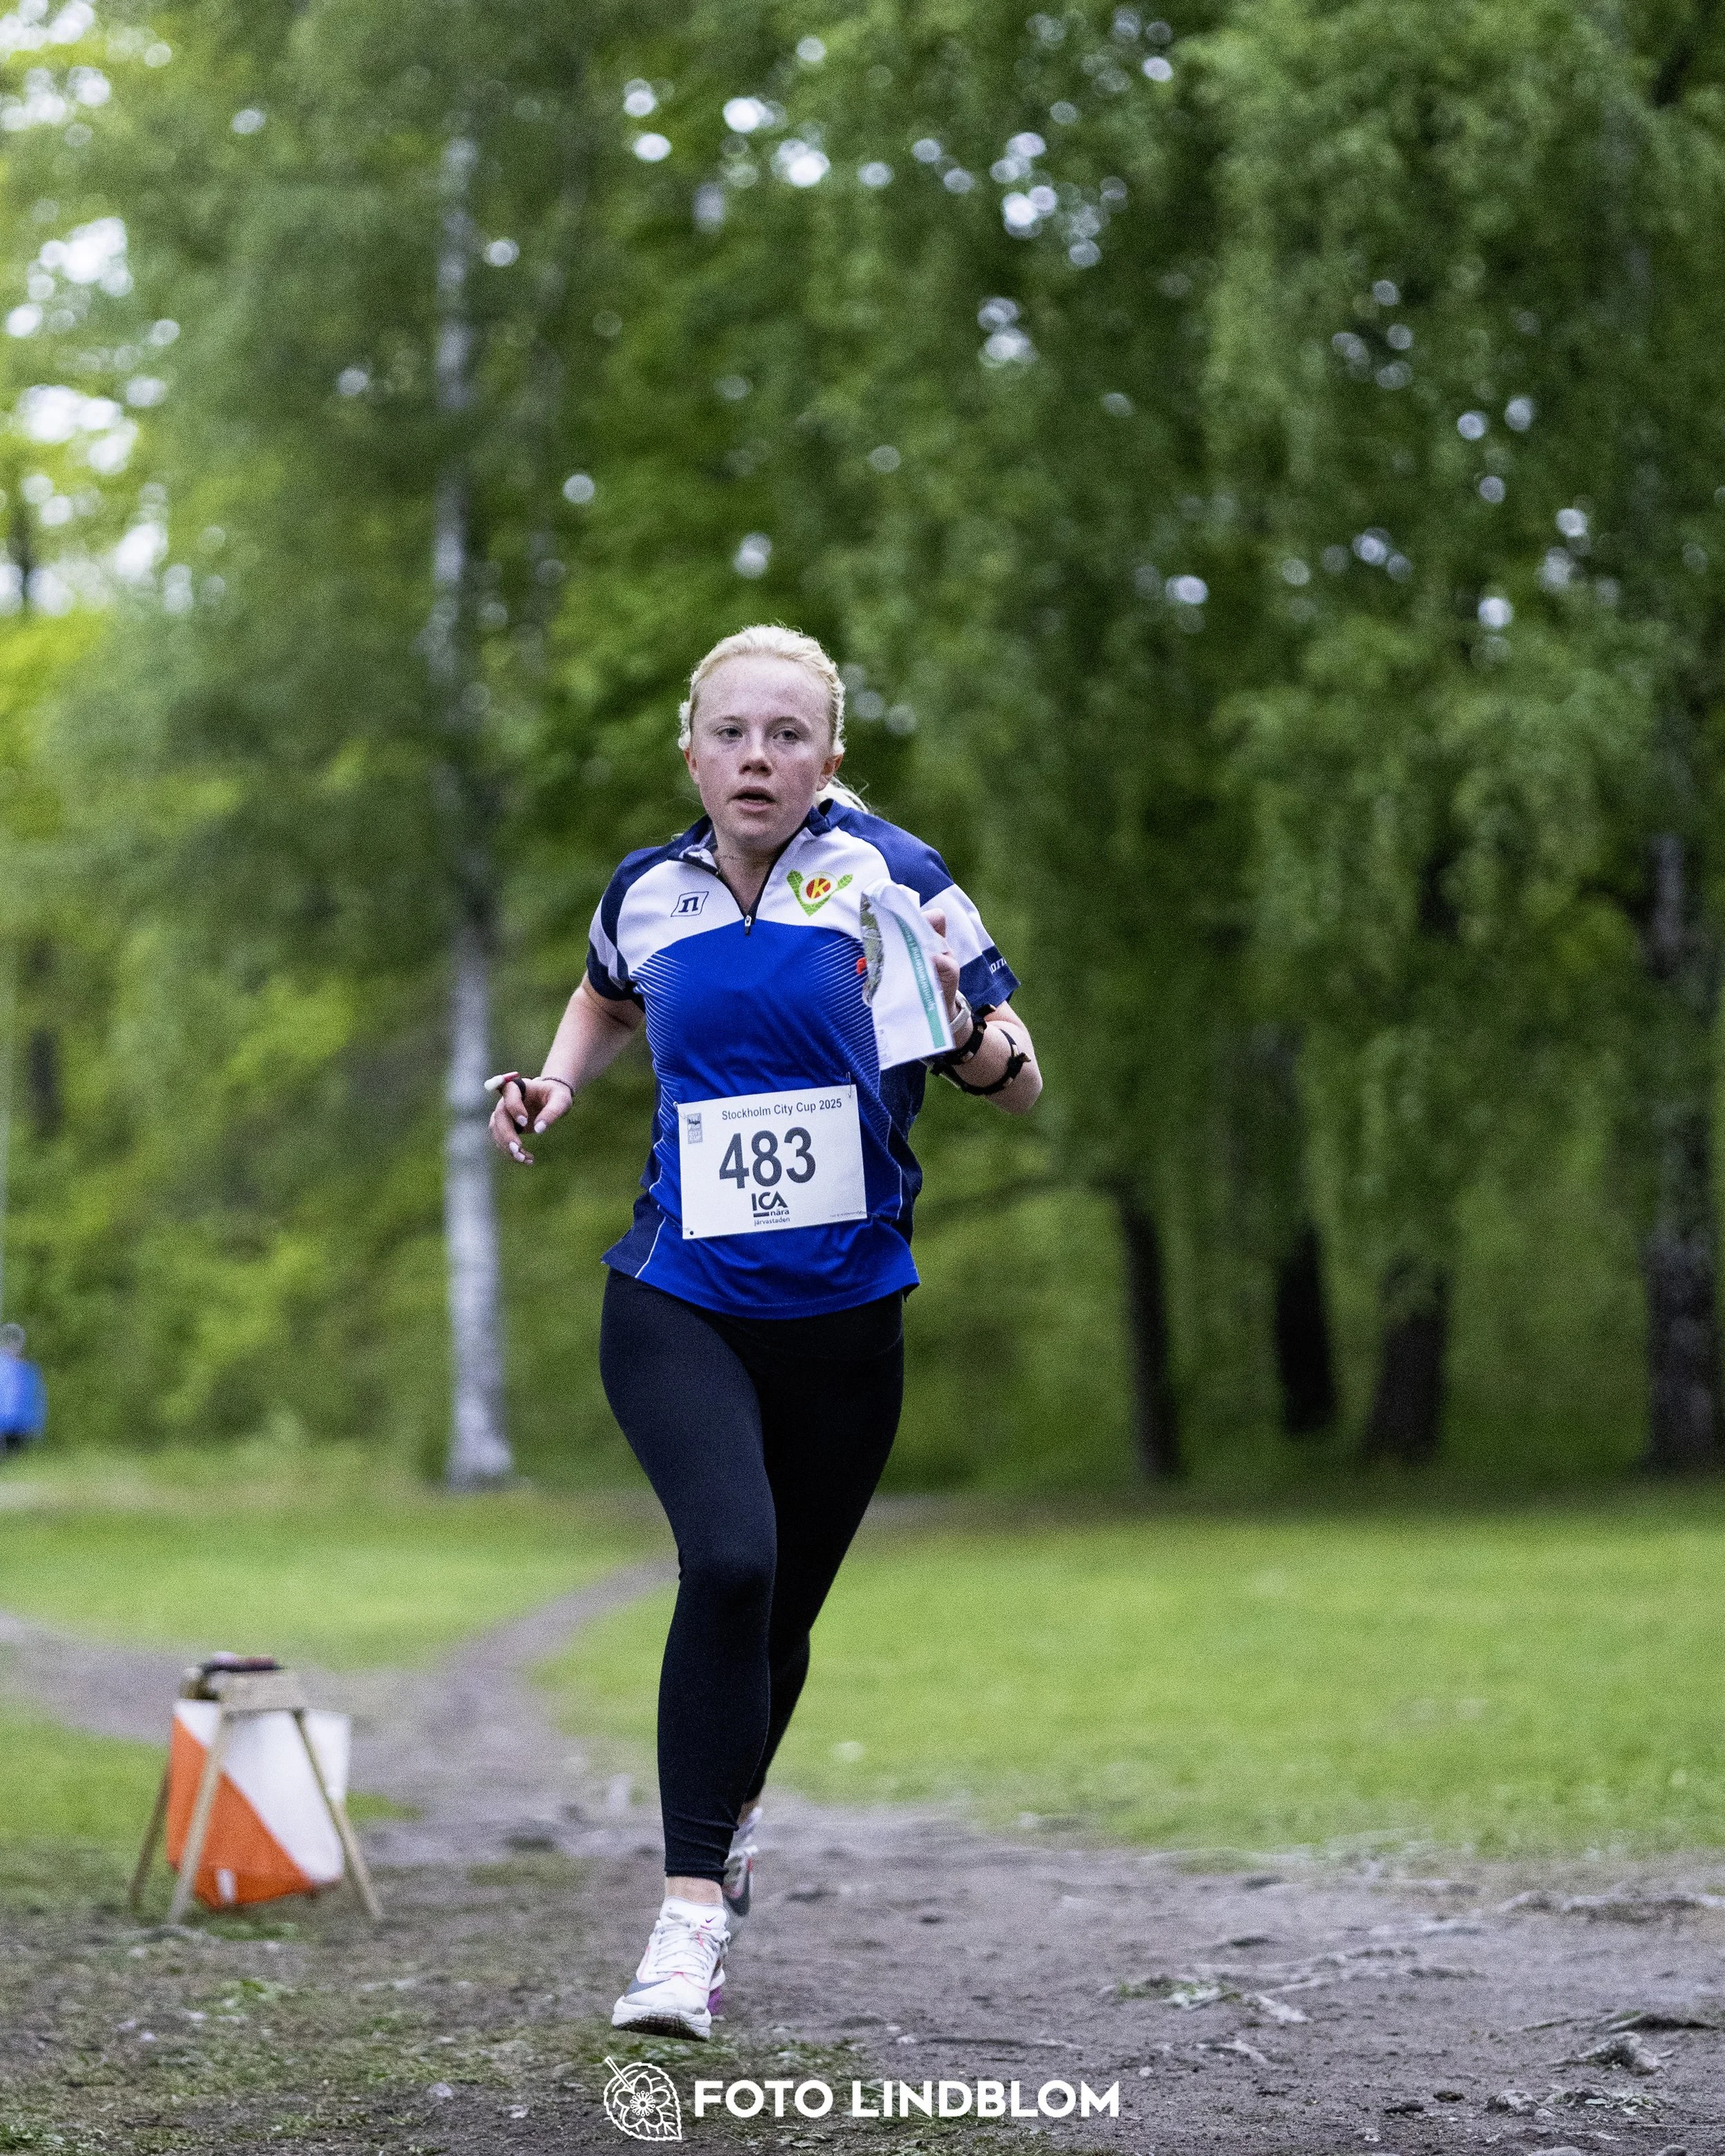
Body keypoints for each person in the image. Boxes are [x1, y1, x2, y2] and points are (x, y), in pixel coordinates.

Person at [489, 624, 1041, 2040]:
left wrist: (970, 1026)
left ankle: (722, 1822)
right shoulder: (647, 887)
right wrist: (555, 1083)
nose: (756, 755)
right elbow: (606, 992)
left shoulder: (892, 876)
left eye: (786, 734)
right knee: (727, 1559)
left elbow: (1015, 1076)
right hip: (677, 1291)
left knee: (778, 1612)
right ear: (692, 751)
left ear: (828, 757)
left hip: (845, 1313)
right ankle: (685, 1925)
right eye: (731, 732)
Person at [0, 1323, 46, 1453]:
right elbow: (39, 1399)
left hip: (16, 1426)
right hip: (21, 1426)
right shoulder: (30, 1369)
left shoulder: (28, 1369)